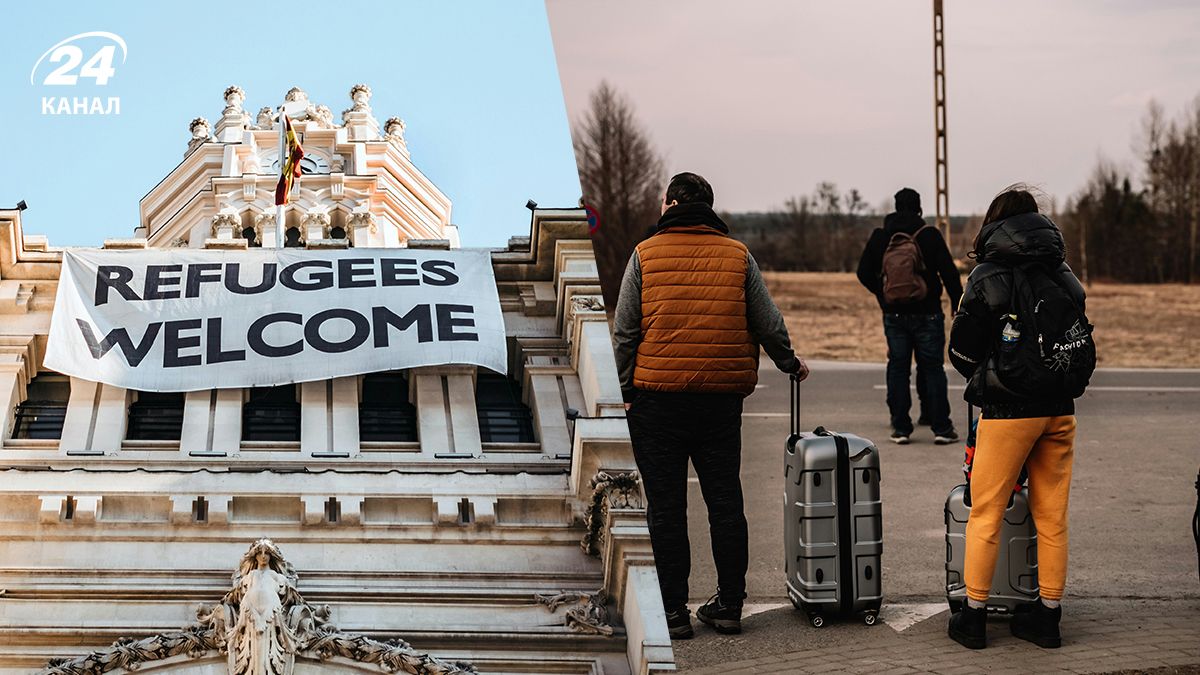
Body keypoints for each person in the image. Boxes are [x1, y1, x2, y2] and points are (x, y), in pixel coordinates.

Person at [613, 172, 808, 639]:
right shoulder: (737, 255)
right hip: (719, 402)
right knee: (724, 501)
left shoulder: (644, 254)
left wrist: (623, 390)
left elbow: (625, 331)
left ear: (672, 203)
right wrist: (790, 363)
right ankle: (729, 605)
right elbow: (768, 322)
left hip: (656, 402)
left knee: (665, 508)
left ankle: (674, 612)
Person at [946, 186, 1087, 650]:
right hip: (1060, 409)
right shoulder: (1063, 272)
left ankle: (973, 619)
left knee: (986, 512)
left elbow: (962, 353)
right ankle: (1047, 619)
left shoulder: (988, 274)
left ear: (996, 224)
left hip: (1008, 412)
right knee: (1053, 518)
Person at [857, 188, 963, 445]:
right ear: (919, 208)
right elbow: (949, 273)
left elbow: (863, 272)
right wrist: (956, 304)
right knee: (933, 369)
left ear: (894, 207)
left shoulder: (882, 236)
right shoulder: (929, 235)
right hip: (928, 313)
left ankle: (901, 427)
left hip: (894, 313)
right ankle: (941, 427)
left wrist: (883, 296)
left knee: (898, 367)